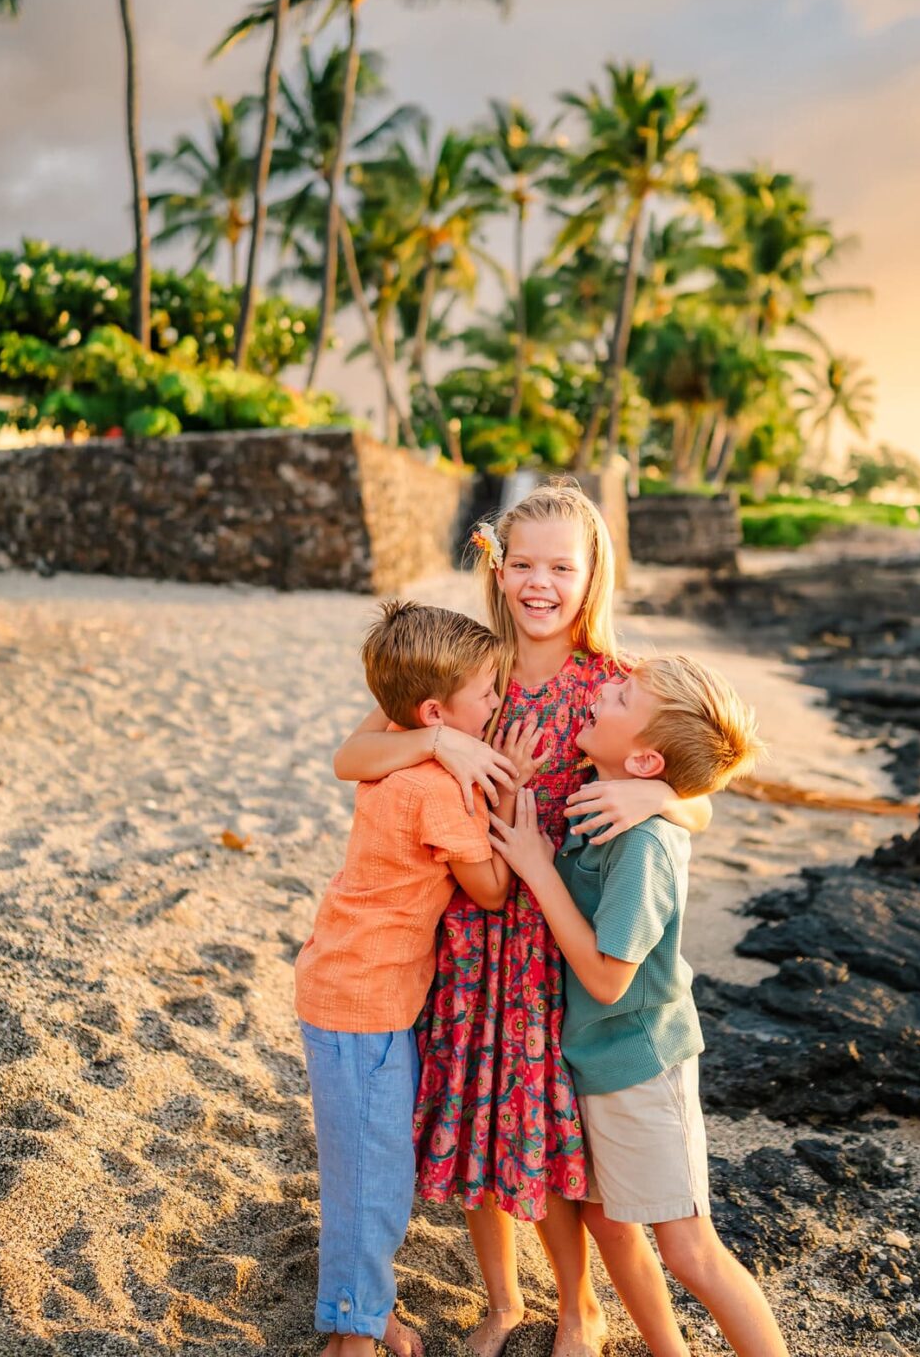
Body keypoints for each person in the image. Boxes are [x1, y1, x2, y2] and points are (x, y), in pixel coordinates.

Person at [333, 481, 711, 1357]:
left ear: (592, 577)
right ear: (499, 571)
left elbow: (696, 804)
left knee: (553, 1135)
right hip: (467, 936)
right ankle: (501, 1302)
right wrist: (435, 740)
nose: (540, 584)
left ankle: (578, 1309)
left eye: (562, 568)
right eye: (525, 565)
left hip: (555, 948)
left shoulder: (616, 688)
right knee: (470, 1114)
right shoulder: (471, 671)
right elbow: (353, 756)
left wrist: (657, 790)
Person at [490, 654, 789, 1357]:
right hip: (592, 1059)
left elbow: (606, 980)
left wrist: (536, 869)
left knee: (689, 1250)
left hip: (641, 1066)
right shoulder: (604, 791)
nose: (601, 691)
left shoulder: (645, 843)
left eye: (620, 696)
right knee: (607, 1223)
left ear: (646, 759)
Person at [295, 600, 513, 1357]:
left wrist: (435, 736)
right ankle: (353, 1333)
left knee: (370, 1165)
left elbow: (354, 749)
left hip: (349, 986)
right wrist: (507, 815)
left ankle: (366, 1307)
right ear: (433, 710)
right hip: (364, 1004)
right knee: (371, 1180)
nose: (496, 701)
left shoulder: (392, 740)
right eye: (486, 692)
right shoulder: (434, 787)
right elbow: (488, 890)